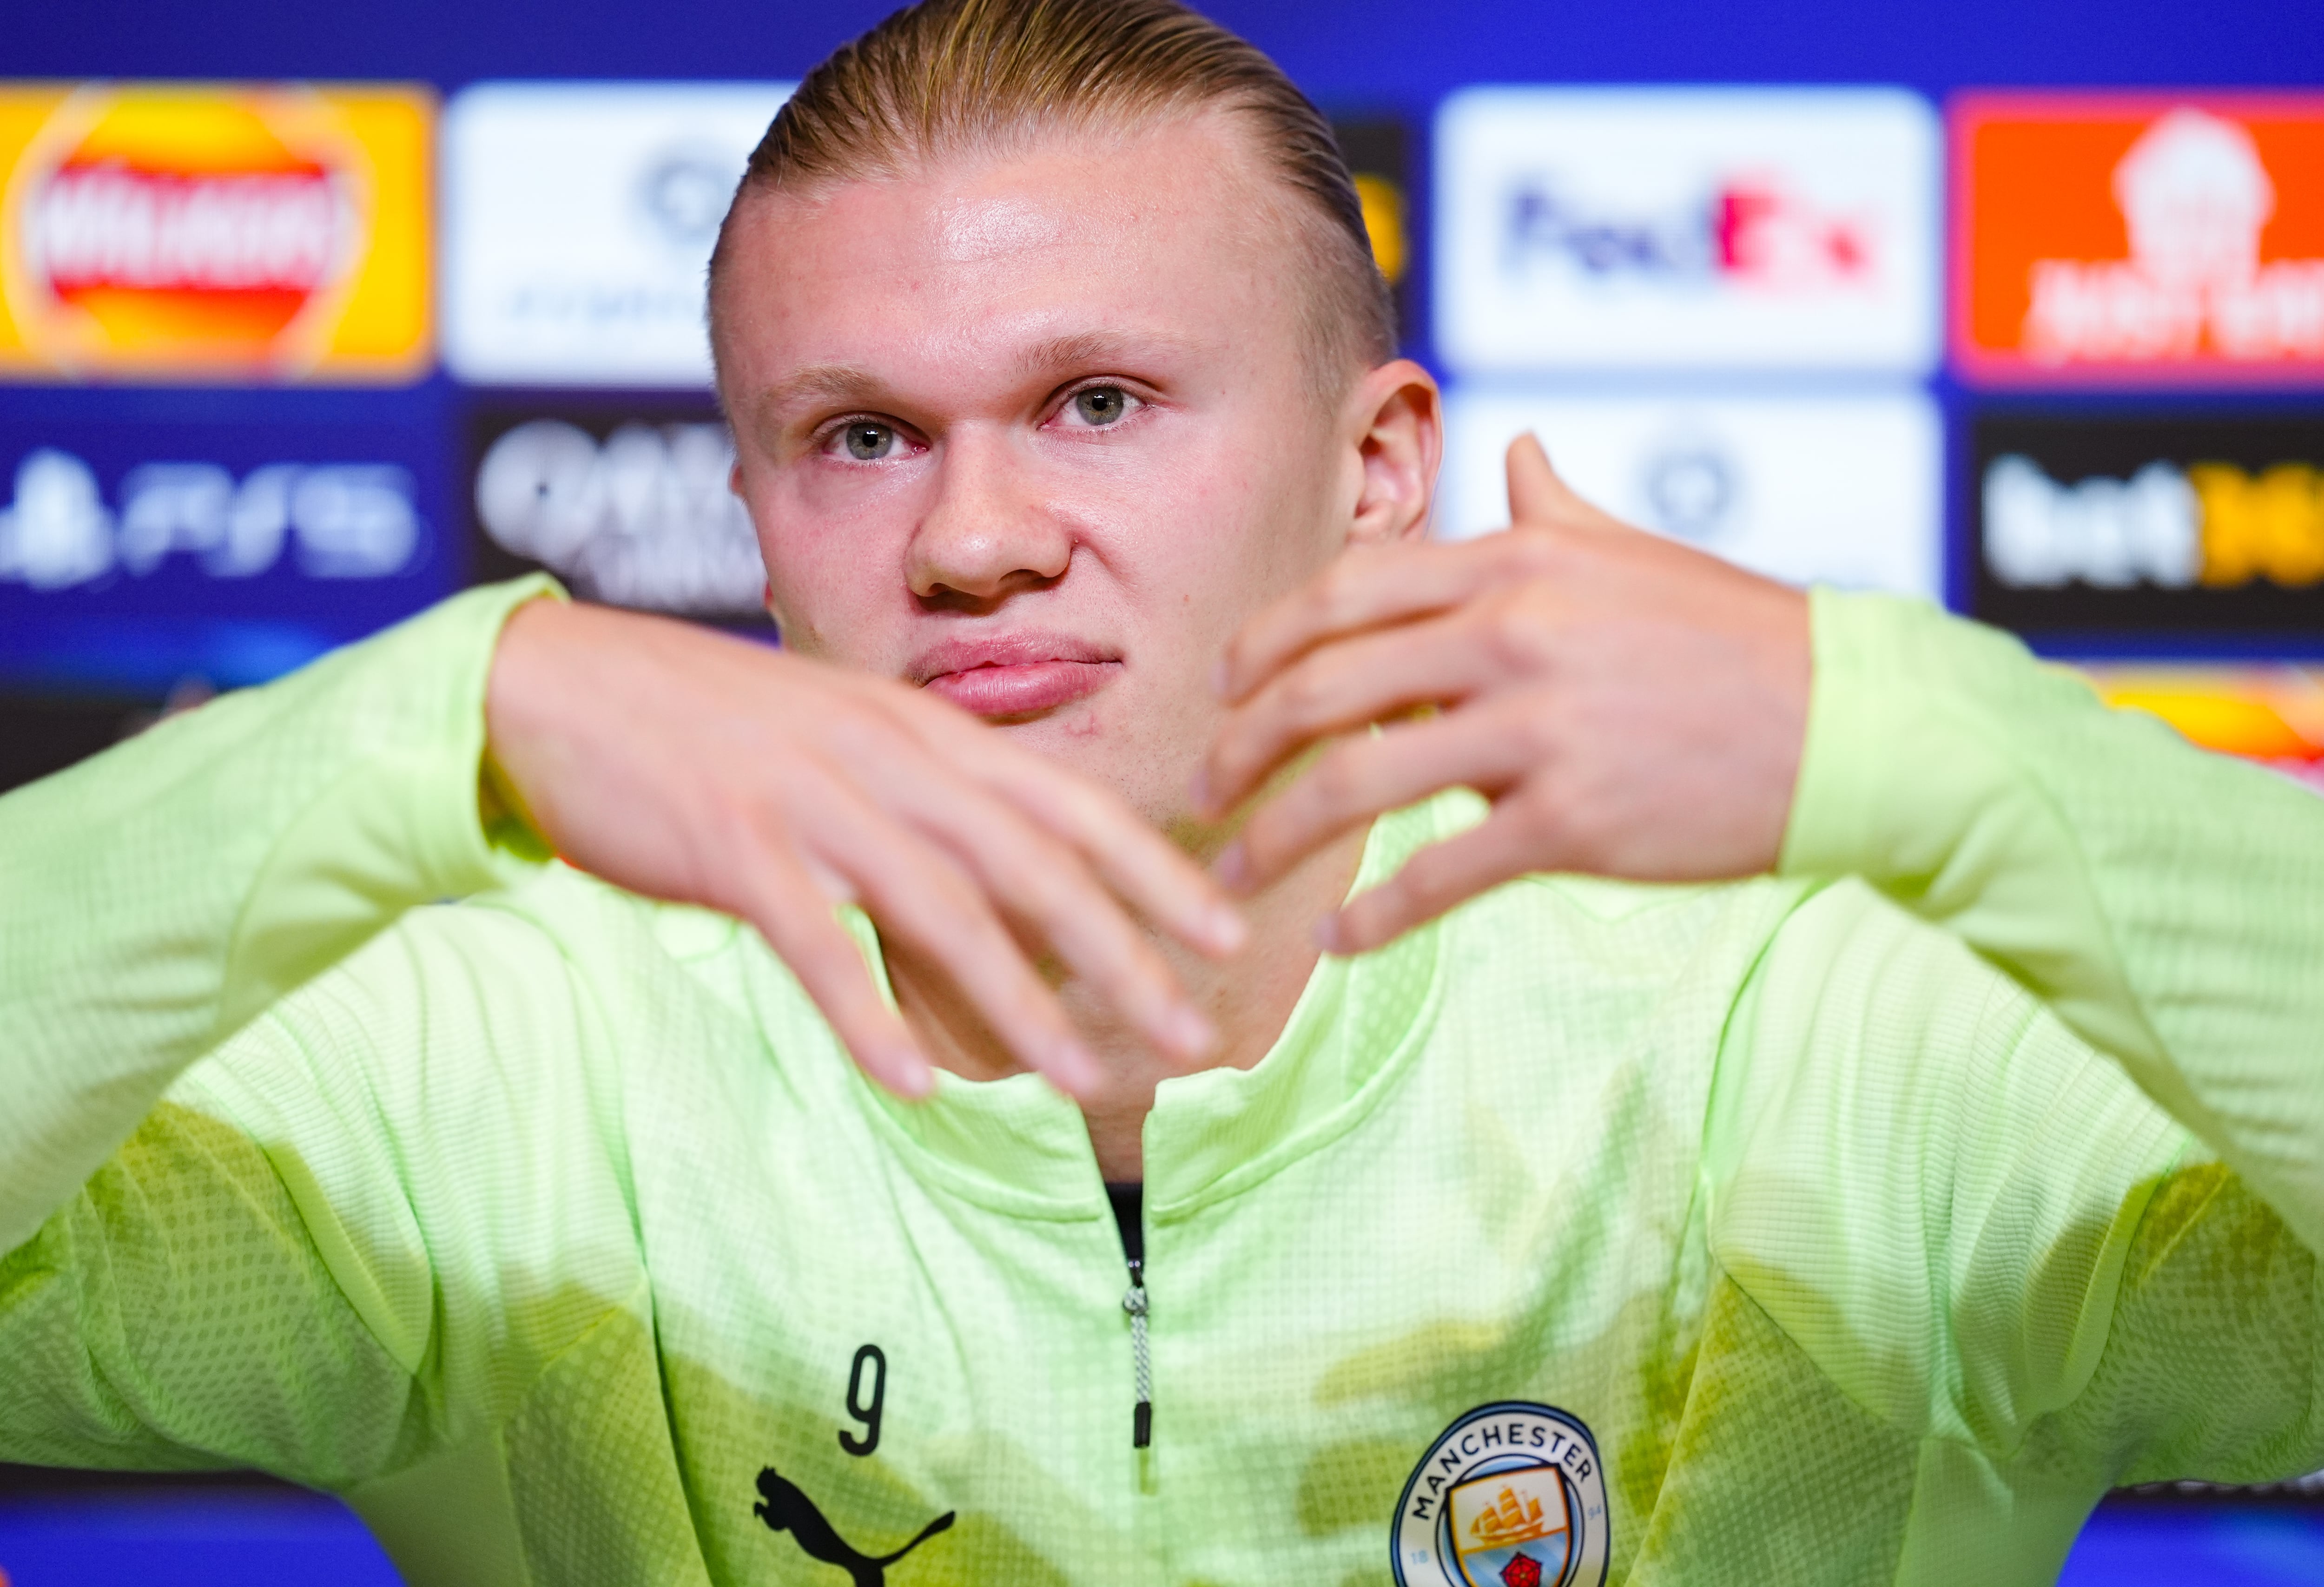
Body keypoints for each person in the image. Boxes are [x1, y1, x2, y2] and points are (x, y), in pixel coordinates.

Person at [2, 1, 2319, 1582]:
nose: (973, 534)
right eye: (859, 436)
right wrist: (447, 722)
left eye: (1098, 398)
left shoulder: (1822, 1034)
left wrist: (1902, 736)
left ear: (1377, 464)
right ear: (754, 510)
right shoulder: (503, 1055)